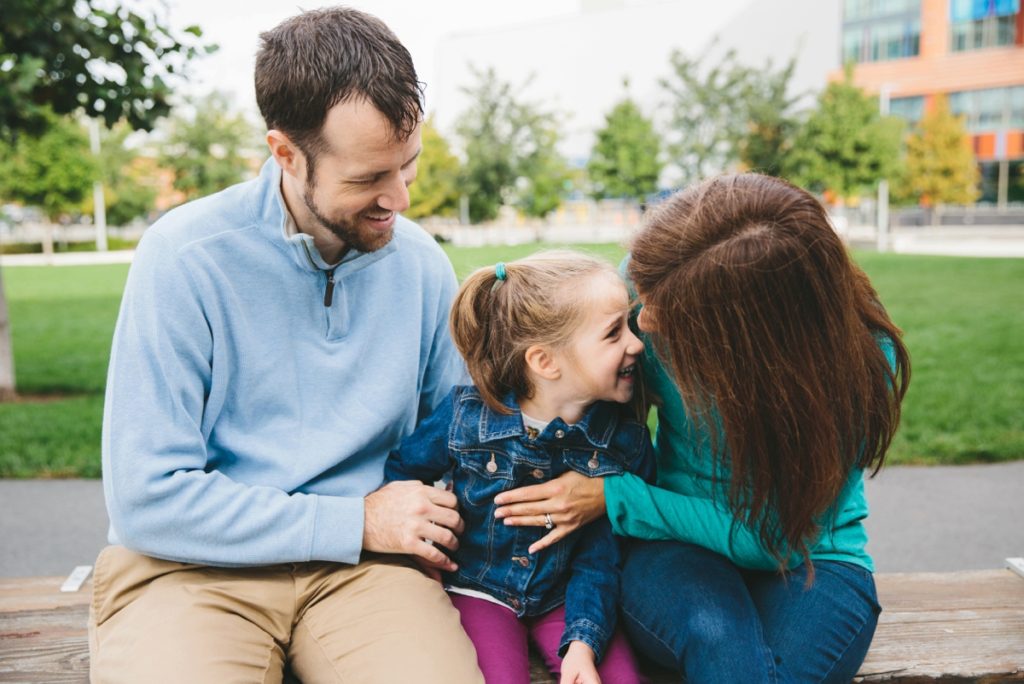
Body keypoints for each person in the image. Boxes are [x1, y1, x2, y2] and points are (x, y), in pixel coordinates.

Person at [89, 8, 484, 683]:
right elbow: (148, 498)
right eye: (367, 179)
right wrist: (353, 520)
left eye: (407, 166)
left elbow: (458, 442)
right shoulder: (184, 259)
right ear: (286, 154)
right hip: (190, 570)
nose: (399, 198)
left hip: (368, 574)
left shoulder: (420, 266)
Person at [493, 174, 911, 683]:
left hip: (813, 559)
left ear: (749, 328)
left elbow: (772, 538)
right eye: (640, 295)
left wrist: (614, 498)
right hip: (673, 550)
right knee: (721, 642)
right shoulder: (661, 279)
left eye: (666, 313)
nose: (643, 323)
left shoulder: (855, 364)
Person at [384, 251, 654, 684]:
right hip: (477, 590)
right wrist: (423, 555)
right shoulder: (464, 418)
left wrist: (582, 644)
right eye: (613, 333)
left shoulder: (622, 443)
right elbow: (404, 471)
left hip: (568, 597)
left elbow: (600, 558)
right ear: (545, 362)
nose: (637, 343)